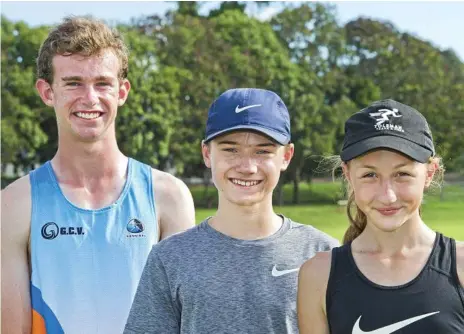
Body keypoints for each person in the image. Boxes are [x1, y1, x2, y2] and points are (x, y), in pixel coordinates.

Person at [1, 16, 195, 334]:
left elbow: (185, 322)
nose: (90, 98)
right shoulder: (14, 204)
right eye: (74, 82)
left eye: (102, 83)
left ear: (122, 92)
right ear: (47, 92)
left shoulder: (168, 197)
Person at [123, 88, 339, 333]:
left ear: (286, 156)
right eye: (230, 149)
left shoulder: (324, 255)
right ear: (207, 153)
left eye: (262, 151)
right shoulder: (169, 259)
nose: (247, 167)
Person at [297, 99, 464, 334]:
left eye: (402, 174)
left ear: (429, 174)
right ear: (348, 175)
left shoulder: (460, 266)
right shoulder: (318, 276)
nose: (388, 196)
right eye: (370, 175)